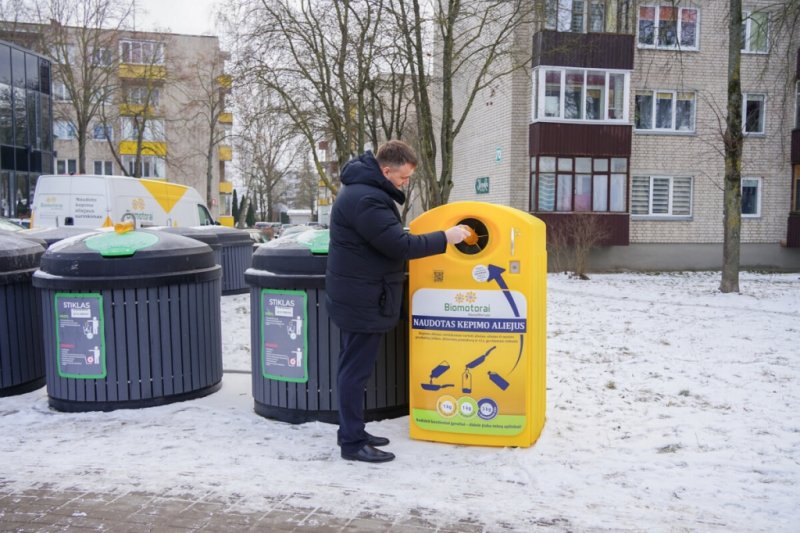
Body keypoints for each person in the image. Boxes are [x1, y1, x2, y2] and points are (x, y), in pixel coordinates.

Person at [326, 140, 470, 463]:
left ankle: (354, 430)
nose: (405, 184)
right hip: (362, 299)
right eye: (403, 178)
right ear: (386, 170)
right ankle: (351, 443)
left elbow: (385, 237)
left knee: (352, 367)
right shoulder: (367, 199)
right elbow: (399, 245)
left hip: (357, 295)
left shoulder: (363, 191)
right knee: (354, 372)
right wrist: (447, 238)